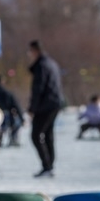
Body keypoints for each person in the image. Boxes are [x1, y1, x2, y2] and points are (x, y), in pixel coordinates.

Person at [27, 39, 65, 177]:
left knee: (36, 135)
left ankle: (47, 166)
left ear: (35, 50)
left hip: (46, 104)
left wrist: (32, 108)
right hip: (55, 103)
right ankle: (49, 166)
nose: (29, 54)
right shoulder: (51, 63)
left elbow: (39, 88)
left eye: (30, 51)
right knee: (48, 134)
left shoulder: (41, 65)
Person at [0, 72, 23, 147]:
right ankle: (13, 139)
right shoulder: (7, 93)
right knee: (17, 123)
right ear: (2, 81)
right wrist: (21, 117)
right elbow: (16, 106)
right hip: (6, 117)